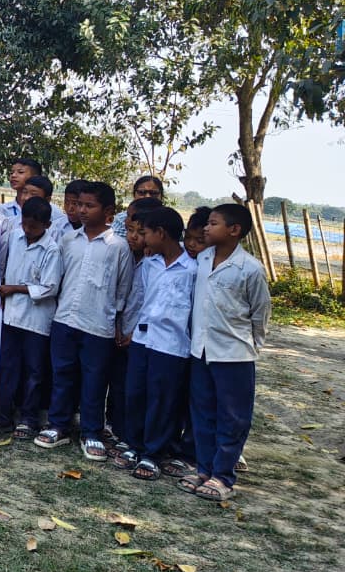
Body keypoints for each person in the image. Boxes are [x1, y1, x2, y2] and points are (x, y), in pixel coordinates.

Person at [34, 181, 133, 460]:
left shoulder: (118, 247)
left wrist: (116, 320)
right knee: (62, 375)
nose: (82, 210)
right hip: (65, 319)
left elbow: (123, 288)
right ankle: (58, 425)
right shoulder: (68, 241)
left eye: (90, 205)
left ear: (108, 211)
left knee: (95, 381)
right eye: (79, 204)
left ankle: (91, 432)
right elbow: (59, 278)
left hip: (98, 325)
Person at [179, 203, 270, 503]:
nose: (206, 228)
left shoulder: (250, 269)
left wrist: (252, 344)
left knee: (232, 417)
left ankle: (223, 475)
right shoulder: (203, 259)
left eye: (213, 223)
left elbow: (260, 313)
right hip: (201, 350)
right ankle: (204, 469)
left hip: (234, 354)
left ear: (234, 230)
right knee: (202, 412)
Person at [119, 206, 196, 483]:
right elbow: (142, 300)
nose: (142, 238)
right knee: (136, 394)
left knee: (161, 400)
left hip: (171, 346)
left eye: (146, 233)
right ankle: (134, 444)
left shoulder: (191, 270)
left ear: (161, 233)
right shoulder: (149, 265)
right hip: (143, 340)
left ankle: (153, 453)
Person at [0, 197, 60, 438]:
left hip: (36, 320)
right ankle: (2, 416)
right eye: (25, 224)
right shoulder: (14, 237)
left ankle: (29, 419)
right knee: (7, 368)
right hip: (10, 316)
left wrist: (15, 288)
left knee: (34, 372)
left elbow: (49, 287)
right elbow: (0, 262)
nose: (28, 229)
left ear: (47, 225)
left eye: (34, 226)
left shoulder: (51, 249)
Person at [108, 196, 161, 458]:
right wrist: (119, 328)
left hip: (142, 337)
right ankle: (117, 430)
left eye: (141, 232)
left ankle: (134, 436)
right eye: (129, 229)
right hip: (119, 330)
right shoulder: (124, 254)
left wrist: (134, 333)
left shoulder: (157, 264)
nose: (133, 237)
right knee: (118, 384)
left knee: (139, 389)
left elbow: (152, 304)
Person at [20, 175, 70, 243]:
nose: (26, 198)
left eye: (33, 194)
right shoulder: (12, 223)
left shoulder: (58, 224)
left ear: (47, 199)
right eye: (25, 192)